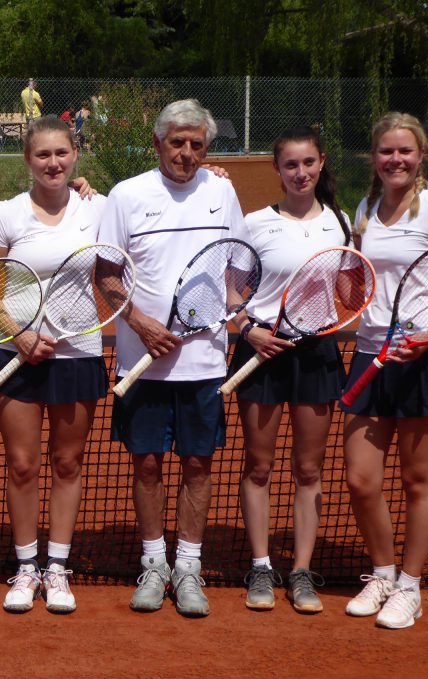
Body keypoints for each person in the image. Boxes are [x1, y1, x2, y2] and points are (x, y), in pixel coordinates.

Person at [98, 99, 247, 618]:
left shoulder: (222, 191)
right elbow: (107, 276)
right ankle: (153, 562)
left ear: (207, 147)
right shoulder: (126, 195)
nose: (186, 153)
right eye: (177, 142)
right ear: (158, 143)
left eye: (197, 144)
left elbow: (237, 267)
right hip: (142, 361)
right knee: (145, 464)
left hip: (204, 363)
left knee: (199, 465)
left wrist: (233, 308)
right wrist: (138, 322)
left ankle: (188, 566)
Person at [341, 113, 428, 630]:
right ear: (374, 158)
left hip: (425, 357)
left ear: (420, 156)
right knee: (360, 479)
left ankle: (410, 587)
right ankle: (382, 574)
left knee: (419, 480)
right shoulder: (366, 209)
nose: (395, 160)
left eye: (405, 151)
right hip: (371, 356)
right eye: (386, 152)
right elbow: (359, 286)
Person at [0, 115, 107, 615]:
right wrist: (19, 334)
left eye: (61, 153)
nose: (53, 163)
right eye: (42, 155)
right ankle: (26, 567)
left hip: (78, 353)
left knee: (68, 463)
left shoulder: (98, 207)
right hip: (18, 352)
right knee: (22, 465)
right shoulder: (6, 215)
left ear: (75, 154)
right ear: (27, 160)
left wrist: (218, 176)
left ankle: (57, 568)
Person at [228, 126, 353, 613]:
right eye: (290, 165)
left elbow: (346, 292)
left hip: (317, 352)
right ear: (277, 170)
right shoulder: (255, 223)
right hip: (262, 351)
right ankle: (261, 565)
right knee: (258, 466)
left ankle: (301, 571)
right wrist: (247, 328)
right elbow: (233, 288)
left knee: (308, 469)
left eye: (309, 163)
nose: (301, 173)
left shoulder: (340, 224)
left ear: (321, 163)